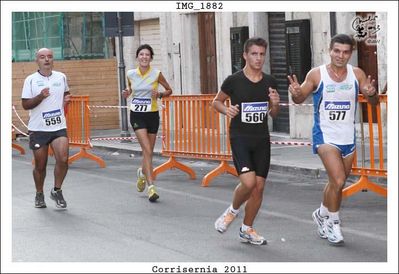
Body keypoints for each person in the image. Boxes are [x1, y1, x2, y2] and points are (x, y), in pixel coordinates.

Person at [287, 34, 379, 245]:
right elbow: (300, 99)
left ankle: (321, 213)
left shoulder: (357, 74)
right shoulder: (317, 75)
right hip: (325, 136)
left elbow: (372, 102)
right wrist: (295, 93)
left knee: (335, 183)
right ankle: (333, 223)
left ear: (350, 54)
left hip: (348, 137)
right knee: (338, 180)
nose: (340, 55)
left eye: (345, 52)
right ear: (330, 51)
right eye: (337, 51)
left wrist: (372, 94)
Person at [212, 37, 280, 245]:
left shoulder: (270, 81)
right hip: (240, 137)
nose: (258, 58)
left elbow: (273, 114)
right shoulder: (234, 80)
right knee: (248, 183)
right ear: (245, 55)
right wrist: (227, 109)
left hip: (261, 139)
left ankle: (247, 228)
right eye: (254, 54)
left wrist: (275, 104)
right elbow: (216, 102)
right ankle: (232, 211)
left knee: (259, 187)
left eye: (261, 54)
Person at [21, 48, 71, 209]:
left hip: (58, 126)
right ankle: (39, 193)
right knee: (40, 165)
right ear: (37, 61)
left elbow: (66, 93)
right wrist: (40, 96)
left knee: (63, 159)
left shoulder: (61, 77)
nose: (46, 60)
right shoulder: (31, 80)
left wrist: (67, 100)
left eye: (49, 57)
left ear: (53, 60)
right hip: (38, 128)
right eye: (42, 57)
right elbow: (25, 104)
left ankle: (57, 190)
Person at [122, 44, 173, 202]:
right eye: (141, 54)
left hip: (152, 114)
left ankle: (142, 174)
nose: (144, 57)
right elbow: (130, 89)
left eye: (147, 55)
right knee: (147, 150)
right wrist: (127, 92)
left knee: (149, 150)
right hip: (137, 115)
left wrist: (159, 94)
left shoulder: (157, 74)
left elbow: (169, 90)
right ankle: (151, 187)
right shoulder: (131, 74)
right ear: (137, 57)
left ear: (151, 58)